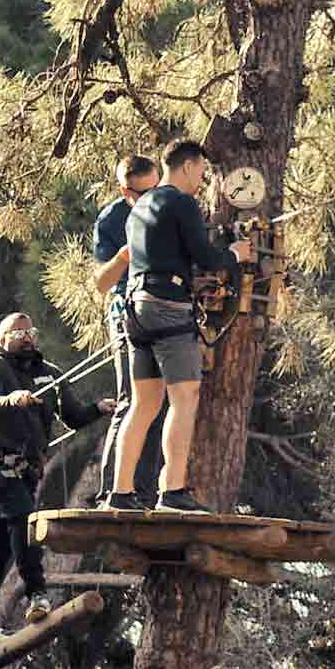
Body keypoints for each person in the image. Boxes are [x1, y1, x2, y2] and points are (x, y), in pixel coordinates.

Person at [102, 139, 251, 515]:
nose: (202, 180)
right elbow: (206, 258)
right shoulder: (181, 202)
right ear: (187, 166)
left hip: (134, 311)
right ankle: (172, 491)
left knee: (144, 404)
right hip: (168, 308)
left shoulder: (137, 209)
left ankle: (119, 493)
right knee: (185, 398)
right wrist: (234, 254)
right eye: (201, 172)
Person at [0, 313, 114, 656]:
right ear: (2, 337)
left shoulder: (48, 372)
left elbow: (72, 416)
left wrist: (97, 408)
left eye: (30, 331)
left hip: (28, 469)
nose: (26, 337)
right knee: (24, 520)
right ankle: (37, 592)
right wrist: (12, 399)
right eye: (18, 332)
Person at [89, 152, 162, 503]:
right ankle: (112, 489)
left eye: (154, 189)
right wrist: (124, 254)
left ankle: (145, 489)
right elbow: (102, 283)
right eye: (139, 193)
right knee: (131, 401)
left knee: (162, 402)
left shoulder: (169, 207)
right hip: (126, 312)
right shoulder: (112, 219)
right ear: (124, 190)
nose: (148, 199)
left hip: (164, 313)